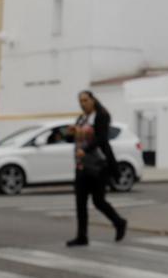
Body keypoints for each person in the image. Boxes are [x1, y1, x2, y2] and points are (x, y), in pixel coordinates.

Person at [66, 90, 127, 247]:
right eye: (80, 101)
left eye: (85, 100)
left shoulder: (102, 115)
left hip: (99, 165)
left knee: (98, 201)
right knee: (80, 202)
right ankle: (81, 236)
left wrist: (85, 149)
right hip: (81, 165)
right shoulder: (82, 118)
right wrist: (71, 132)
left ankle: (119, 222)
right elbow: (76, 138)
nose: (83, 103)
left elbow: (101, 138)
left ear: (93, 100)